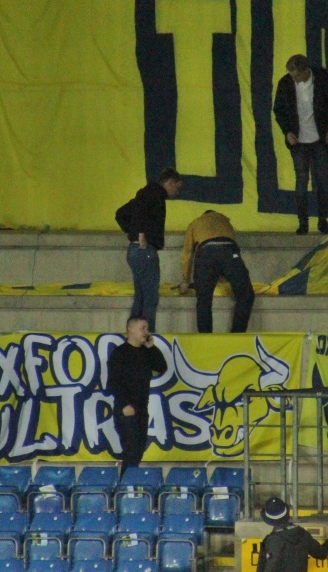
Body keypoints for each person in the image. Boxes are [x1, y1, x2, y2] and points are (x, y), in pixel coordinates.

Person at [272, 54, 328, 235]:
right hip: (298, 141)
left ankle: (323, 221)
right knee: (301, 182)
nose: (293, 79)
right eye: (291, 75)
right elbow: (278, 110)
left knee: (323, 182)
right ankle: (303, 223)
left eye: (296, 76)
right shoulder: (285, 83)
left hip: (320, 139)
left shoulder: (322, 78)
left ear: (305, 70)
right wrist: (287, 131)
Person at [120, 167, 183, 332]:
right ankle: (147, 337)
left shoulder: (147, 193)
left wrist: (131, 232)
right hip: (145, 251)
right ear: (170, 183)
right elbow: (140, 209)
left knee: (140, 298)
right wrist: (140, 233)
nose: (177, 192)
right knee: (150, 299)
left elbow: (120, 213)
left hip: (134, 251)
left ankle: (133, 336)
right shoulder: (154, 193)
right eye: (177, 187)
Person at [106, 316, 167, 478]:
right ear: (130, 329)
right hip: (126, 409)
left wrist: (151, 347)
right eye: (142, 328)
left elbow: (162, 367)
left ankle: (130, 483)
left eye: (147, 328)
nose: (146, 332)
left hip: (142, 409)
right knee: (131, 450)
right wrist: (124, 404)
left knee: (138, 451)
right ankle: (125, 486)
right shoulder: (120, 353)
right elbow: (112, 383)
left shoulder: (146, 352)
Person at [178, 210, 255, 333]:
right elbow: (233, 250)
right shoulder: (225, 222)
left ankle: (206, 338)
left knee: (204, 300)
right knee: (246, 295)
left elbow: (187, 254)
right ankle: (237, 335)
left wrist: (185, 280)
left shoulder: (196, 223)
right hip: (229, 251)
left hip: (205, 253)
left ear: (203, 215)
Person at [256, 496, 328, 572]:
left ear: (268, 520)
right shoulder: (302, 533)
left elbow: (271, 568)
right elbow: (321, 553)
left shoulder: (273, 540)